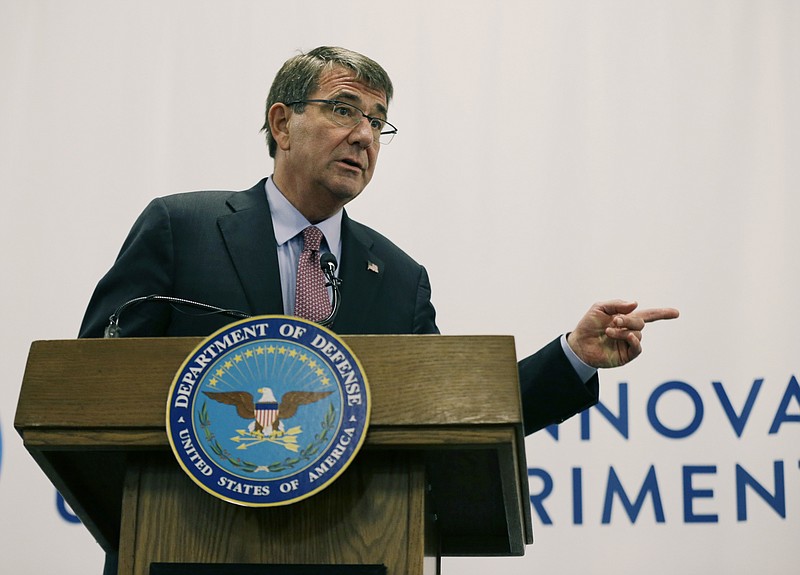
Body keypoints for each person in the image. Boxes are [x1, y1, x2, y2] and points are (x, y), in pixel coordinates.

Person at [80, 47, 679, 568]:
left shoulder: (398, 277)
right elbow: (95, 389)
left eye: (378, 122)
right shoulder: (183, 228)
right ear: (282, 123)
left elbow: (457, 414)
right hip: (185, 543)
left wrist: (574, 357)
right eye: (344, 110)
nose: (365, 136)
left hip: (354, 551)